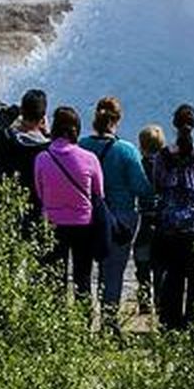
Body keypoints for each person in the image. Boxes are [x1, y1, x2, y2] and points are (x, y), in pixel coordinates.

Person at [79, 96, 152, 325]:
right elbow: (142, 188)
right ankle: (109, 323)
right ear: (117, 119)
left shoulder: (82, 146)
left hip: (88, 216)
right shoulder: (127, 150)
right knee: (113, 272)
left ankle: (83, 320)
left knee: (84, 269)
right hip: (120, 219)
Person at [150, 104, 194, 330]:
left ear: (174, 125)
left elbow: (157, 184)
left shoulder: (163, 156)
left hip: (169, 225)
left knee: (173, 275)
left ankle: (170, 323)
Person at [35, 106, 106, 299]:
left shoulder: (42, 158)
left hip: (53, 223)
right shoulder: (90, 159)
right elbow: (99, 193)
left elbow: (40, 192)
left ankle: (56, 323)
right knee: (82, 278)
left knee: (54, 279)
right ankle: (82, 323)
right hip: (83, 223)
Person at [0, 87, 51, 203]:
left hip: (7, 201)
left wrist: (15, 111)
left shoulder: (2, 138)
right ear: (43, 118)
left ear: (22, 111)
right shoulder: (49, 150)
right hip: (35, 205)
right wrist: (47, 134)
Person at [134, 123, 165, 317]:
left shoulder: (140, 165)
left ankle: (144, 301)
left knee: (142, 263)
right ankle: (160, 302)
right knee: (160, 266)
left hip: (145, 218)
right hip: (162, 219)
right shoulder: (165, 164)